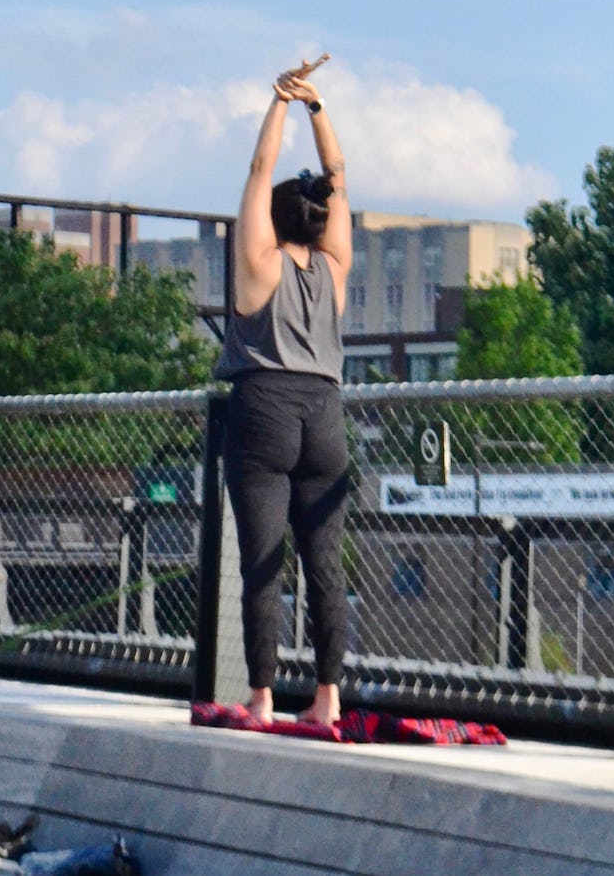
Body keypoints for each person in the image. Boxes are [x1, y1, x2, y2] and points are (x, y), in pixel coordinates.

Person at [213, 57, 352, 726]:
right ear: (320, 222)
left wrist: (277, 102)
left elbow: (257, 172)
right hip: (325, 411)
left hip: (262, 405)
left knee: (263, 560)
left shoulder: (258, 267)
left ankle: (263, 697)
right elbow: (340, 178)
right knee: (323, 562)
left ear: (273, 222)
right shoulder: (335, 266)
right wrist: (315, 106)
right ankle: (327, 697)